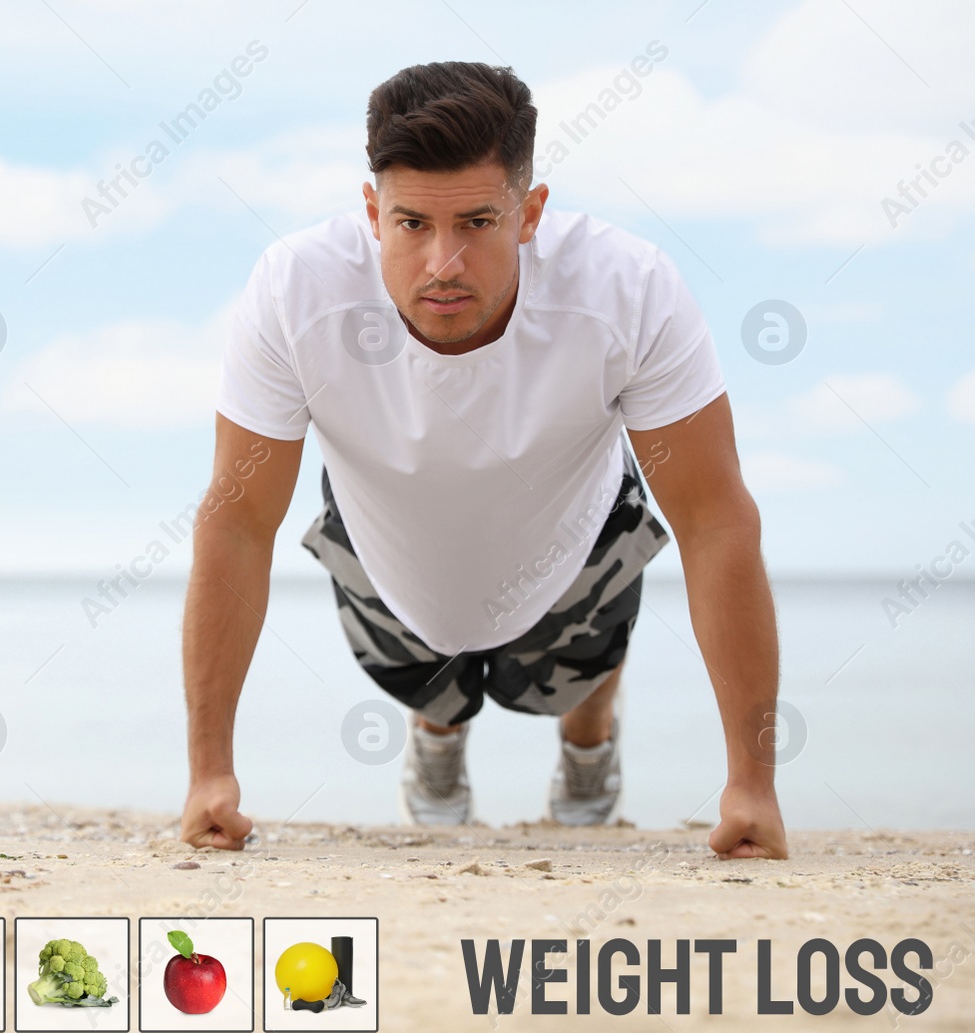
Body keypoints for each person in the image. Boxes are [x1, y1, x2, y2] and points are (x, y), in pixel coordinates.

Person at [178, 61, 787, 860]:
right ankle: (437, 724)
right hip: (391, 541)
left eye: (476, 223)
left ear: (529, 213)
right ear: (371, 211)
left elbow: (715, 520)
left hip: (576, 542)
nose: (443, 264)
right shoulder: (297, 290)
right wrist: (208, 775)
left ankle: (591, 737)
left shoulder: (627, 289)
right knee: (437, 681)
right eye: (411, 226)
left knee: (574, 666)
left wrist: (752, 783)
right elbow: (237, 522)